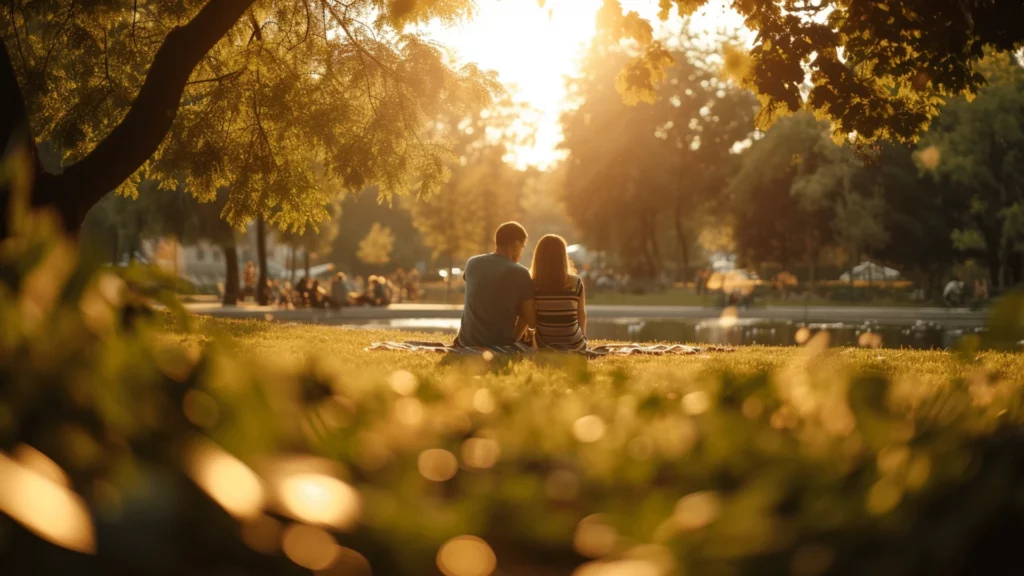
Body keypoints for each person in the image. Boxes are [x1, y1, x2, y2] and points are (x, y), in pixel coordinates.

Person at [455, 221, 537, 347]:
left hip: (467, 341)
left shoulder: (472, 263)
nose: (521, 252)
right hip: (499, 343)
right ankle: (512, 341)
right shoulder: (520, 272)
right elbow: (531, 320)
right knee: (525, 312)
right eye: (522, 246)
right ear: (516, 245)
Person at [529, 234, 588, 351]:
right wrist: (584, 338)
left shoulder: (532, 284)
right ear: (563, 256)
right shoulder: (576, 282)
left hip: (545, 344)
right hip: (575, 344)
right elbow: (581, 315)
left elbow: (531, 320)